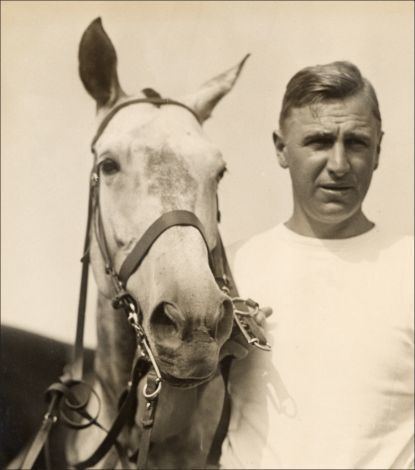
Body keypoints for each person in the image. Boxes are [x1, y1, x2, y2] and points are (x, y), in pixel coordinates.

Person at [220, 61, 414, 469]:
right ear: (280, 149)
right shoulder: (232, 267)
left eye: (357, 143)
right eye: (320, 141)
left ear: (378, 150)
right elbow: (173, 430)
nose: (339, 164)